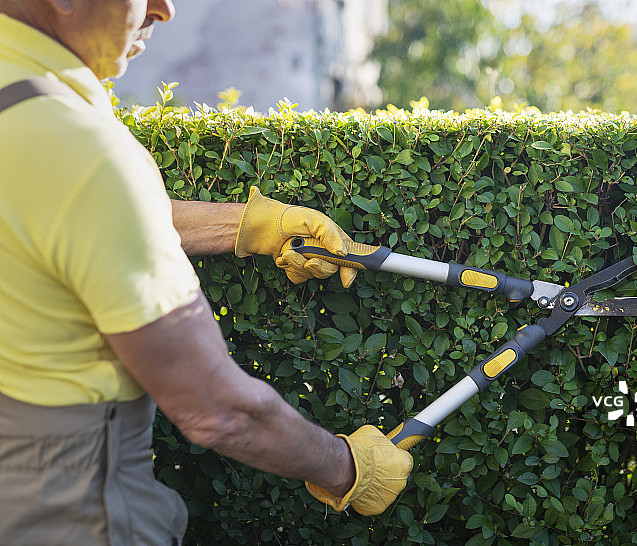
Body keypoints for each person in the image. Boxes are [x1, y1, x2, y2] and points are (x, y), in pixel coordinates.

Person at [0, 1, 413, 544]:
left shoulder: (23, 106)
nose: (163, 9)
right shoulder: (79, 149)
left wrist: (252, 225)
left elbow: (63, 218)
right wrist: (345, 467)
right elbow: (217, 409)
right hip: (61, 512)